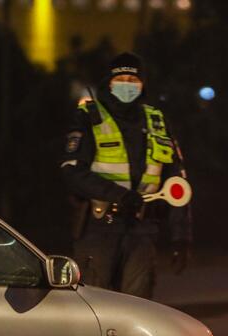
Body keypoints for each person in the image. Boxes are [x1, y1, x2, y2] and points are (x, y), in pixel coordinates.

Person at [60, 52, 192, 299]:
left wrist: (181, 236)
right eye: (121, 78)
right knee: (94, 308)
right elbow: (72, 172)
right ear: (108, 82)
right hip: (98, 229)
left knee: (138, 310)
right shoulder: (89, 117)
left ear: (143, 84)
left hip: (142, 231)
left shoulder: (157, 122)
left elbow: (177, 184)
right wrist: (119, 195)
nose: (127, 85)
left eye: (133, 80)